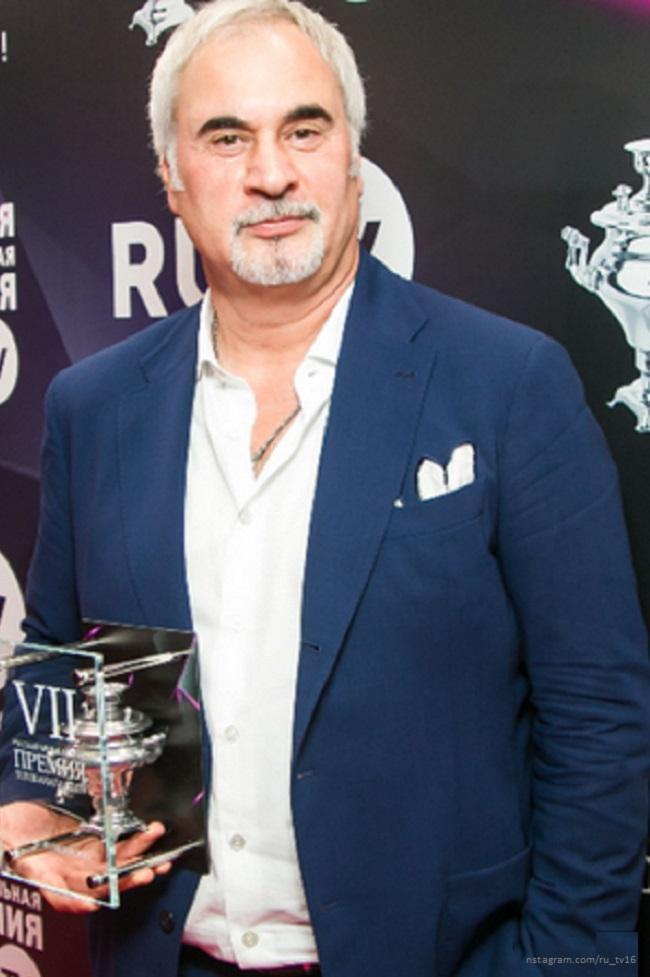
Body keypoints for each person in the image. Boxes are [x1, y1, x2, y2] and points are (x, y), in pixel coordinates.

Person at [1, 1, 649, 975]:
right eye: (227, 138)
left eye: (304, 129)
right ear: (172, 177)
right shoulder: (92, 408)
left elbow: (596, 712)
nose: (271, 173)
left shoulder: (506, 383)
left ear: (350, 159)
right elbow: (54, 653)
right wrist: (26, 792)